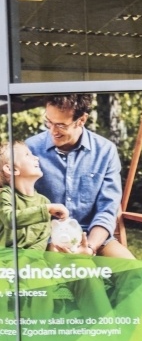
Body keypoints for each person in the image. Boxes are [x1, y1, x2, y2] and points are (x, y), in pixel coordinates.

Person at [0, 141, 111, 317]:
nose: (36, 157)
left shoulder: (43, 201)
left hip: (38, 259)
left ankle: (107, 329)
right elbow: (8, 218)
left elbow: (44, 240)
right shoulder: (5, 196)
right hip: (9, 260)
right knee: (40, 283)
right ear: (11, 169)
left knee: (83, 269)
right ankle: (38, 338)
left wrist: (67, 250)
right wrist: (47, 211)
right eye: (28, 155)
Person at [27, 93, 134, 259]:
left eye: (61, 125)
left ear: (82, 120)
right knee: (85, 277)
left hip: (95, 239)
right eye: (49, 122)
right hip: (48, 240)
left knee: (138, 274)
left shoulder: (105, 151)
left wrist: (89, 247)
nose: (53, 131)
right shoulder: (30, 149)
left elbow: (107, 210)